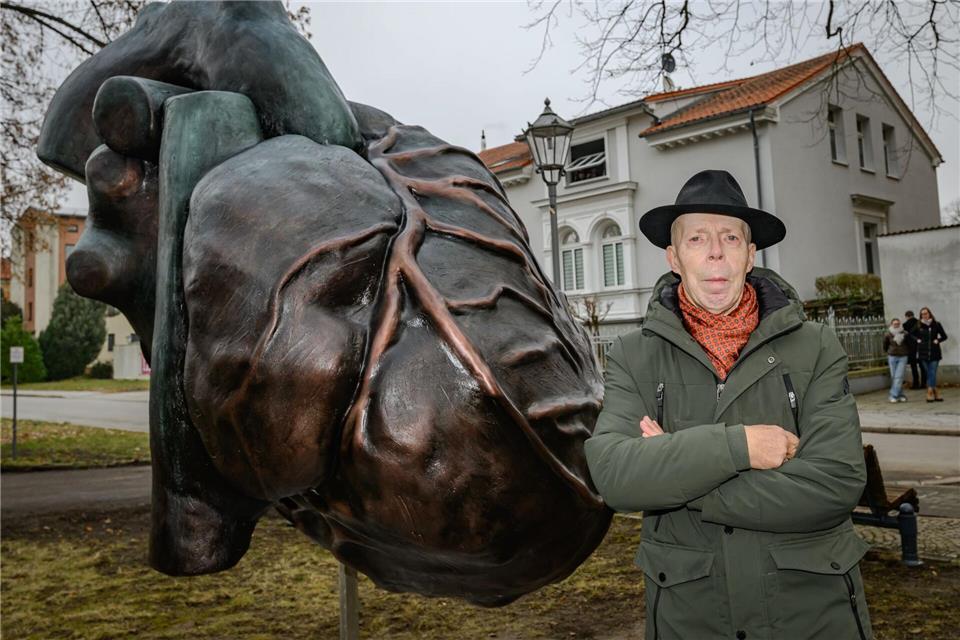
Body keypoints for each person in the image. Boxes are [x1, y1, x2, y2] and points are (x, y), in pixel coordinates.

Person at [585, 170, 872, 640]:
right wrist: (741, 448)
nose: (715, 252)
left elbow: (836, 483)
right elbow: (616, 475)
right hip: (692, 617)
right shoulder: (633, 355)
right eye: (697, 238)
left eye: (730, 238)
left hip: (811, 614)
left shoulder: (816, 347)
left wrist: (680, 475)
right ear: (674, 257)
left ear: (750, 254)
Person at [913, 306, 948, 402]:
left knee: (931, 372)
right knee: (929, 373)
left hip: (934, 352)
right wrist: (917, 340)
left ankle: (929, 392)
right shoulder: (918, 325)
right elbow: (910, 334)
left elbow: (945, 336)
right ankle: (936, 391)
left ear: (929, 314)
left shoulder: (936, 324)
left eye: (926, 313)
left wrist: (938, 340)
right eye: (922, 314)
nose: (924, 315)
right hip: (922, 353)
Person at [883, 318, 910, 403]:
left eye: (898, 323)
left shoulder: (905, 333)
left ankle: (893, 395)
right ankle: (901, 395)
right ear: (891, 324)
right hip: (892, 356)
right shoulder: (888, 334)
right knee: (895, 377)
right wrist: (888, 352)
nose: (896, 325)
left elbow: (909, 344)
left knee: (898, 376)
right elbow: (885, 344)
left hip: (903, 356)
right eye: (894, 324)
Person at [902, 310, 925, 389]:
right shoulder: (920, 323)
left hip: (911, 348)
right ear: (913, 315)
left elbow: (905, 337)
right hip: (921, 346)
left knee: (913, 366)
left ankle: (916, 384)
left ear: (906, 316)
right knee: (922, 365)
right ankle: (923, 383)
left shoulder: (905, 325)